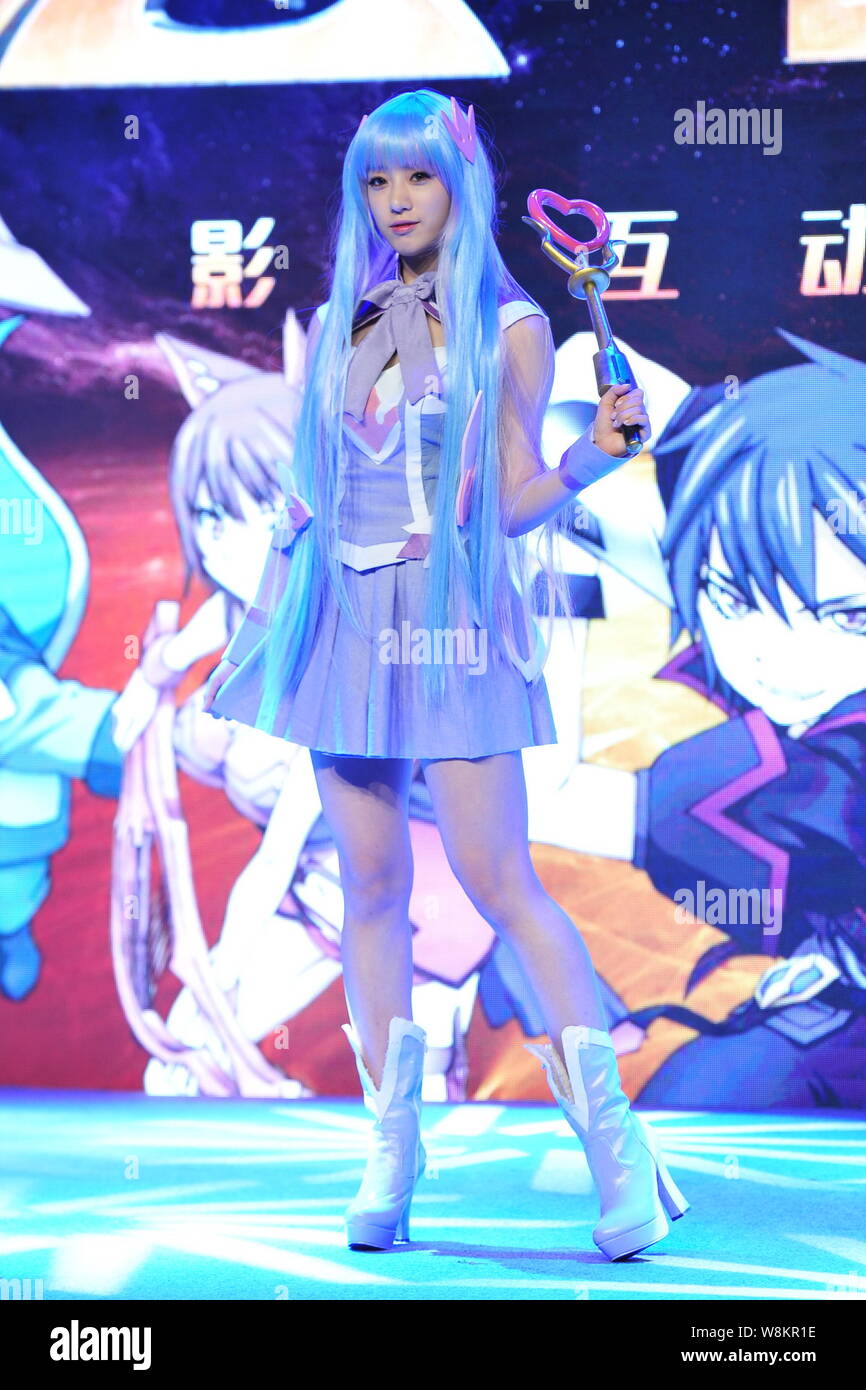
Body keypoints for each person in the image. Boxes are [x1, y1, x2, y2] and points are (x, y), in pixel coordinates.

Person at [202, 88, 689, 1260]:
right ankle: (391, 1150)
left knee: (498, 880)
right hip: (344, 621)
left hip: (454, 622)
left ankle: (617, 1152)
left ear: (458, 181)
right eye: (376, 180)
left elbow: (511, 502)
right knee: (369, 885)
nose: (395, 199)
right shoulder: (348, 316)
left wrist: (591, 457)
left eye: (415, 175)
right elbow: (320, 496)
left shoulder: (507, 323)